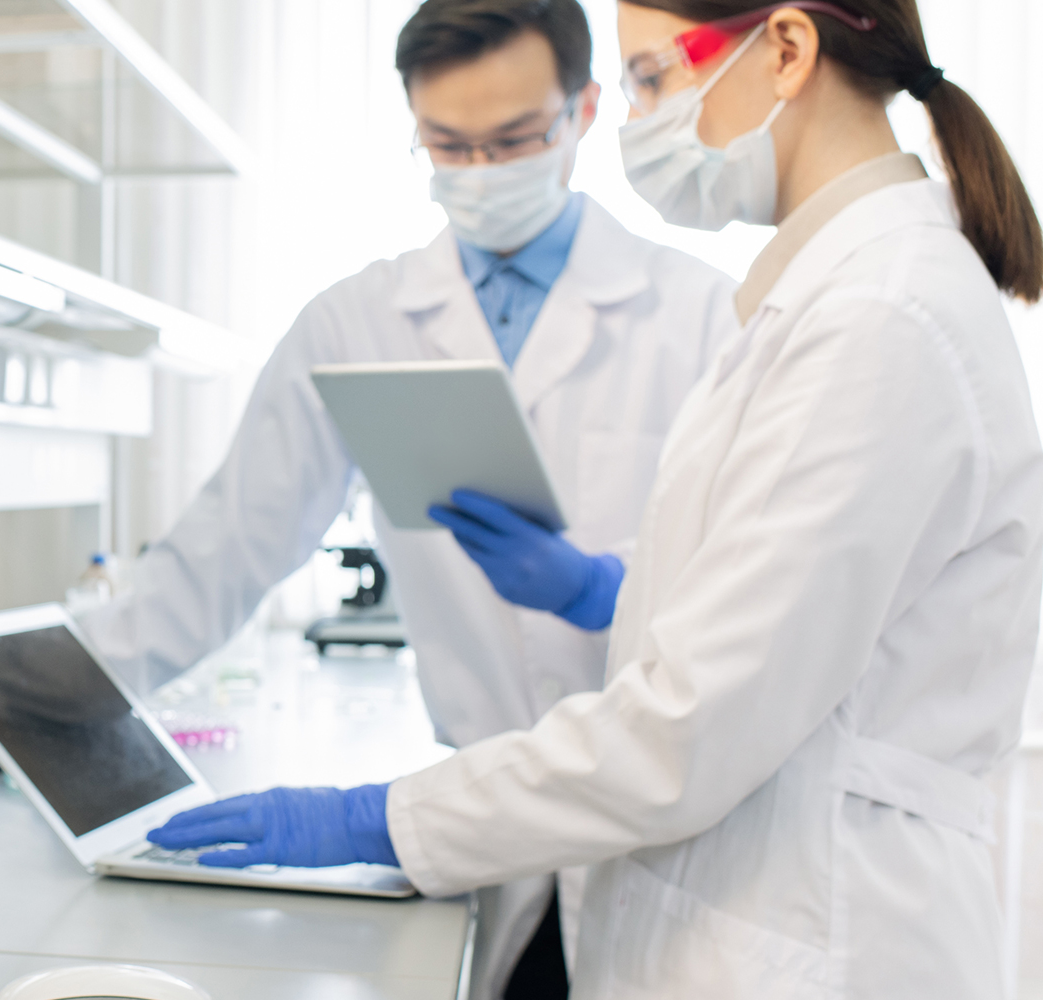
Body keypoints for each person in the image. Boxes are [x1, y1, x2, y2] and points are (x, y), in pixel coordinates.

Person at [150, 1, 1043, 996]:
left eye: (652, 79)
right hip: (724, 891)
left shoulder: (878, 316)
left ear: (784, 49)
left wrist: (378, 815)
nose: (640, 121)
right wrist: (608, 590)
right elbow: (760, 626)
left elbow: (687, 724)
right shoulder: (828, 300)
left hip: (816, 936)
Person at [71, 1, 741, 996]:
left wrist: (607, 591)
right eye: (446, 144)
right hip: (483, 826)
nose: (478, 172)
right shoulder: (355, 320)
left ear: (583, 110)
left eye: (511, 140)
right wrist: (54, 700)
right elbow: (225, 547)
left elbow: (750, 589)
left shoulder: (698, 314)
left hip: (673, 836)